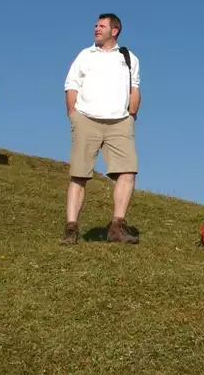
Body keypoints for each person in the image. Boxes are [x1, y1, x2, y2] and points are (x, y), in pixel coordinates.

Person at [60, 13, 141, 246]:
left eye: (101, 26)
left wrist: (131, 115)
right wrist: (73, 115)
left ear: (114, 31)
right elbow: (71, 85)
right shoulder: (85, 55)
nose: (96, 29)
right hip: (86, 119)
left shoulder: (128, 57)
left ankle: (117, 226)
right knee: (79, 174)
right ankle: (71, 229)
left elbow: (134, 88)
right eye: (95, 25)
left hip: (120, 122)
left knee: (128, 171)